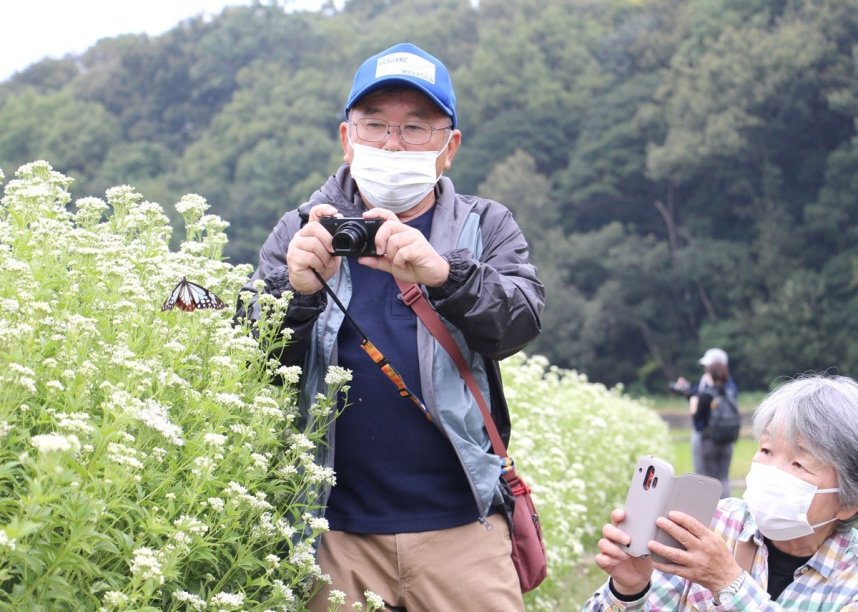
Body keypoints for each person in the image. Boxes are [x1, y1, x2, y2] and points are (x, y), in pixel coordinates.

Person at [235, 42, 544, 611]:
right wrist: (296, 297)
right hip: (334, 533)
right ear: (346, 138)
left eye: (415, 128)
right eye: (374, 125)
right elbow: (251, 364)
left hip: (462, 528)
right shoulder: (302, 228)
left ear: (448, 147)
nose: (392, 143)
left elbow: (520, 323)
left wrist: (445, 274)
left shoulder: (483, 225)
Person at [584, 373, 858, 610]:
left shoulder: (851, 578)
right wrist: (629, 590)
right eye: (766, 450)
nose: (772, 471)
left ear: (848, 501)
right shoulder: (710, 524)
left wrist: (728, 583)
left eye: (798, 463)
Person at [674, 348, 740, 496]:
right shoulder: (731, 389)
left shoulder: (707, 392)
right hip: (727, 439)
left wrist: (692, 401)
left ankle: (707, 513)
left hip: (706, 440)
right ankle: (725, 511)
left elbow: (697, 416)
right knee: (723, 479)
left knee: (703, 479)